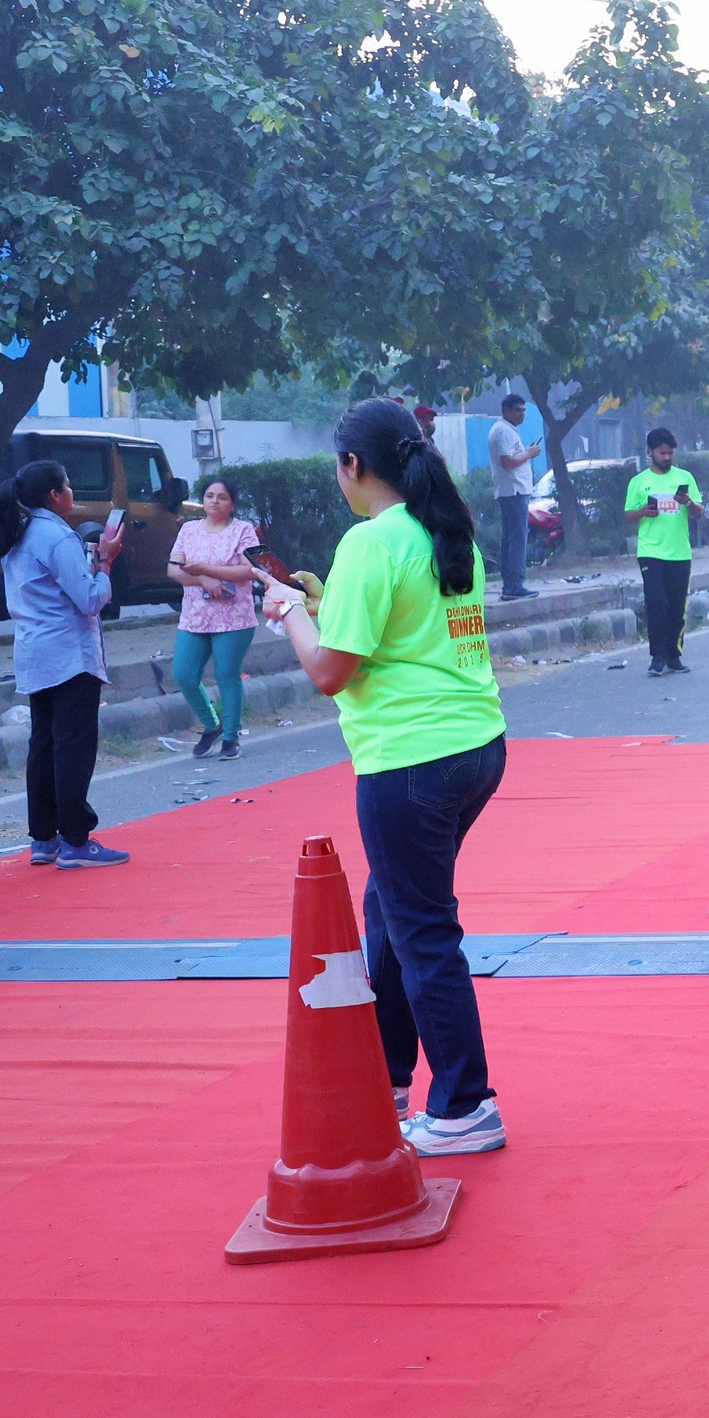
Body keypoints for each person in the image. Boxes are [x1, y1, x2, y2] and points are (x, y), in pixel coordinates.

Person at [258, 399, 510, 1156]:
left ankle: (465, 1105)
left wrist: (288, 613)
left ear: (352, 466)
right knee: (393, 914)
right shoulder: (443, 530)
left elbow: (331, 672)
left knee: (422, 929)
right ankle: (390, 1077)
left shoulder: (370, 542)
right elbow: (403, 633)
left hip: (410, 762)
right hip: (474, 745)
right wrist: (322, 604)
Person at [0, 461, 130, 869]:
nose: (72, 493)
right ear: (55, 495)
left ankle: (44, 837)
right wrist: (105, 563)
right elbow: (89, 599)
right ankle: (75, 838)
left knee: (44, 745)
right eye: (68, 486)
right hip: (69, 653)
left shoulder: (17, 532)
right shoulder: (56, 535)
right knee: (73, 746)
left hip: (34, 651)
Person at [166, 477, 260, 760]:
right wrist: (203, 579)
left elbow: (250, 570)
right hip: (195, 615)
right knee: (184, 674)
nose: (214, 501)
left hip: (234, 617)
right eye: (209, 495)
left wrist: (208, 570)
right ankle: (212, 725)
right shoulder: (188, 529)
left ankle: (231, 736)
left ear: (232, 504)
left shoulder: (243, 530)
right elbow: (174, 569)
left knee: (226, 674)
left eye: (222, 497)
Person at [625, 428, 706, 677]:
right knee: (656, 603)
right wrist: (643, 512)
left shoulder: (685, 477)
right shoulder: (639, 482)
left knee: (676, 605)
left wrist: (688, 502)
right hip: (650, 551)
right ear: (650, 452)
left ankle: (674, 655)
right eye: (662, 453)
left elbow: (699, 512)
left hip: (679, 552)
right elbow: (629, 515)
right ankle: (657, 657)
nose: (667, 457)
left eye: (670, 453)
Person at [487, 393, 539, 601]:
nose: (522, 414)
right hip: (513, 490)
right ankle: (514, 584)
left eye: (524, 410)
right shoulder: (503, 431)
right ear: (506, 411)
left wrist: (525, 452)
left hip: (511, 490)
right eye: (518, 410)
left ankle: (510, 584)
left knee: (511, 537)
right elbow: (507, 462)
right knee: (517, 538)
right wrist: (529, 454)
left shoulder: (505, 429)